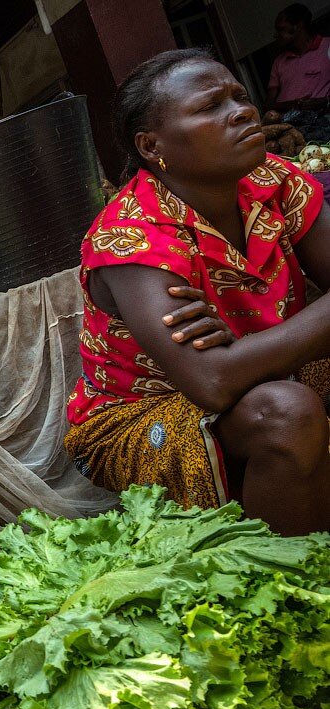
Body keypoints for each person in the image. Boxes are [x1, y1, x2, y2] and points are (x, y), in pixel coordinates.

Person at [64, 49, 330, 536]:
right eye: (211, 107)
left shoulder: (274, 179)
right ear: (151, 146)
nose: (242, 111)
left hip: (264, 370)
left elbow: (228, 368)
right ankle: (293, 582)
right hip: (138, 416)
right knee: (286, 414)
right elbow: (211, 382)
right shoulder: (132, 236)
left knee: (283, 397)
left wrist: (237, 352)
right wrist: (230, 362)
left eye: (239, 96)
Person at [268, 3, 330, 111]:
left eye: (281, 29)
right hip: (289, 123)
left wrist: (324, 102)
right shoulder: (279, 62)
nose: (276, 35)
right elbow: (269, 105)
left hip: (323, 119)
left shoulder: (327, 46)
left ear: (299, 26)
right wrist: (295, 105)